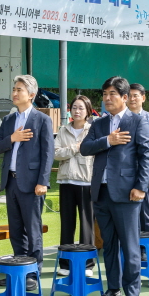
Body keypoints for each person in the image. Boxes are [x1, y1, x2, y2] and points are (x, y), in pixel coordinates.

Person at [81, 76, 149, 296]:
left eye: (112, 94)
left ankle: (132, 292)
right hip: (101, 193)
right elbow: (85, 148)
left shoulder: (137, 121)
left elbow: (146, 155)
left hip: (127, 194)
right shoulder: (100, 124)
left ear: (124, 97)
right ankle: (113, 290)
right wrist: (108, 140)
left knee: (130, 245)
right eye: (104, 94)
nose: (107, 98)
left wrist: (141, 187)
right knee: (109, 245)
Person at [0, 75, 54, 290]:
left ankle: (33, 274)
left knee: (33, 229)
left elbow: (48, 153)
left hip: (32, 183)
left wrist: (43, 182)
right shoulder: (9, 121)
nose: (15, 93)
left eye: (19, 89)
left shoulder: (42, 119)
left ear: (31, 95)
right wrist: (12, 139)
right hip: (11, 182)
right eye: (14, 89)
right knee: (16, 229)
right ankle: (19, 269)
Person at [54, 95, 96, 276]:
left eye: (81, 108)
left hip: (87, 181)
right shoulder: (63, 130)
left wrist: (76, 149)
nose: (77, 111)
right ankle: (65, 263)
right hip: (66, 181)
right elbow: (56, 153)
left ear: (87, 111)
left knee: (87, 224)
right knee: (67, 223)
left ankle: (87, 264)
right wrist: (74, 148)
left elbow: (95, 152)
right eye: (74, 108)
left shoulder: (93, 130)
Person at [129, 83, 149, 236]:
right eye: (129, 95)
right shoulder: (123, 117)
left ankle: (145, 246)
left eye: (135, 95)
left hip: (145, 172)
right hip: (125, 171)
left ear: (143, 98)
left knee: (145, 210)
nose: (132, 99)